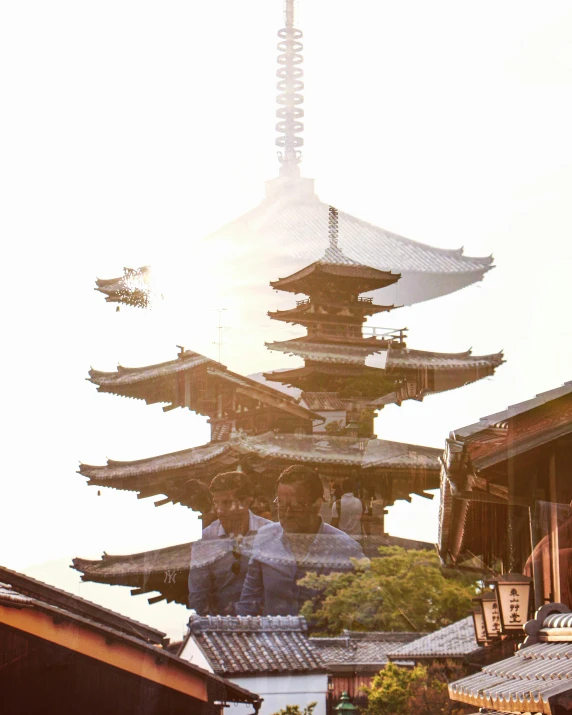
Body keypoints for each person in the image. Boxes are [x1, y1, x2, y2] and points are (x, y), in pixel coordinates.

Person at [236, 465, 365, 616]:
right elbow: (249, 601)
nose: (287, 513)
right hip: (274, 637)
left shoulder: (346, 550)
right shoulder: (264, 538)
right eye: (281, 505)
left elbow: (367, 609)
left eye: (297, 506)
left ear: (317, 505)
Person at [188, 471, 272, 615]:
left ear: (246, 502)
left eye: (226, 503)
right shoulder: (207, 540)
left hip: (265, 621)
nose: (219, 511)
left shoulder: (270, 533)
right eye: (216, 503)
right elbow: (198, 595)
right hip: (221, 623)